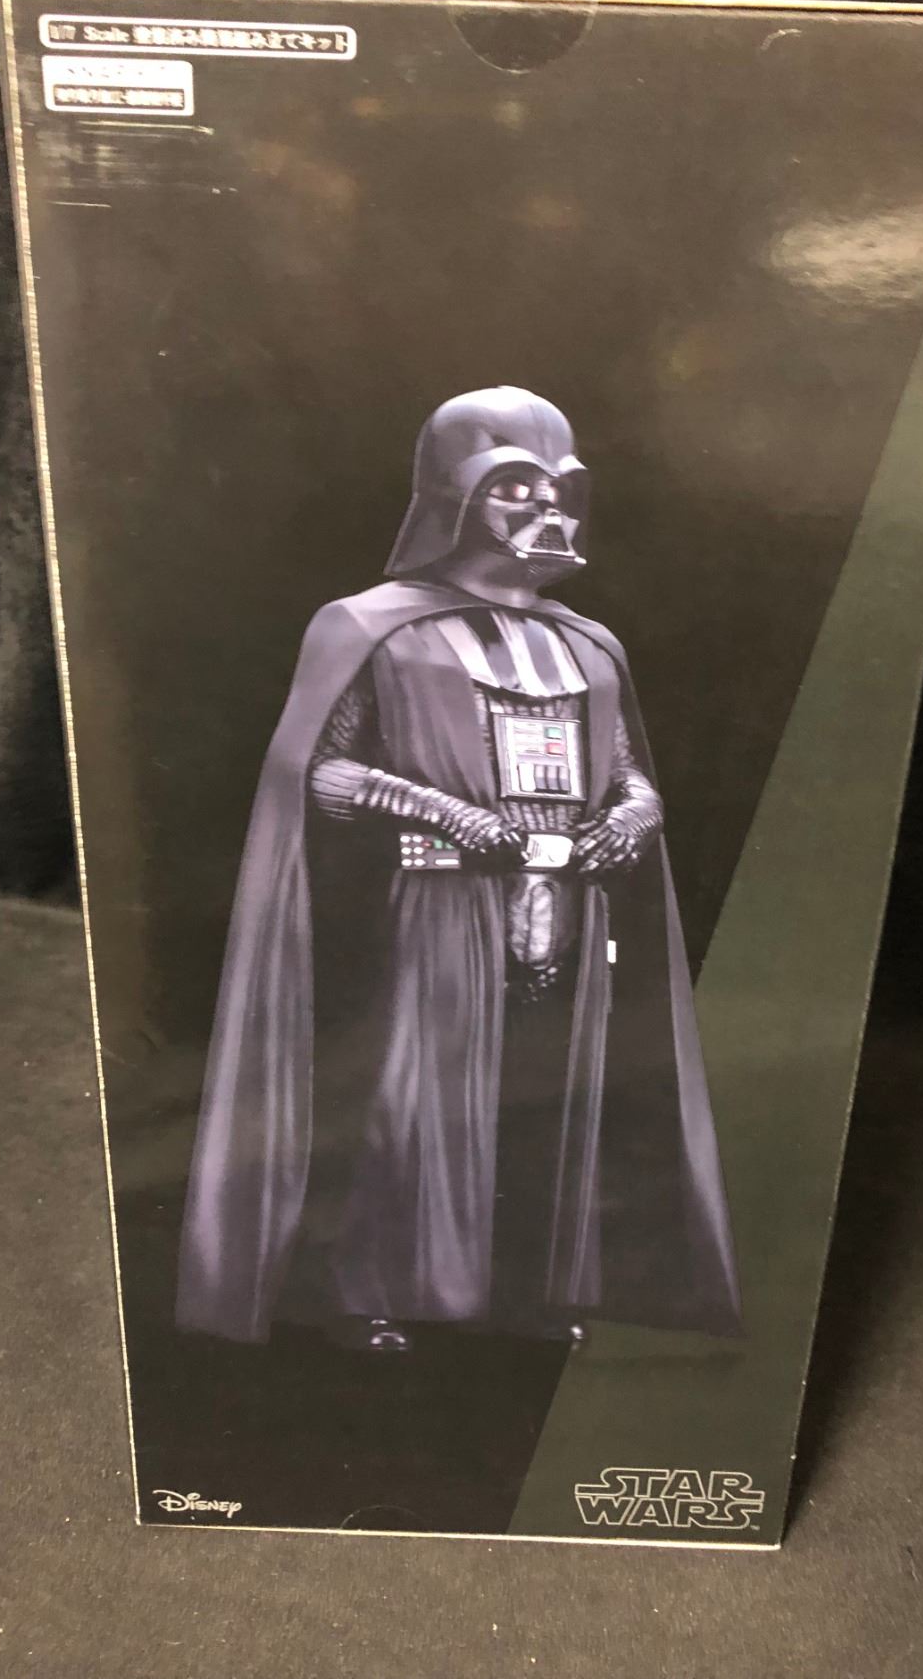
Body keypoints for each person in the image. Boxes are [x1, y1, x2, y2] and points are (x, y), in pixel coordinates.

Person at [178, 386, 740, 1351]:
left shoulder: (587, 643)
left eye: (561, 488)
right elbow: (318, 771)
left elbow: (626, 772)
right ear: (455, 495)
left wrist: (635, 816)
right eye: (515, 485)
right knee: (419, 1097)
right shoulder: (372, 626)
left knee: (556, 1094)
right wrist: (445, 811)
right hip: (435, 904)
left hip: (574, 901)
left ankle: (536, 1291)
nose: (547, 508)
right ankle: (376, 1294)